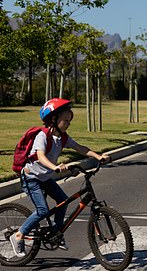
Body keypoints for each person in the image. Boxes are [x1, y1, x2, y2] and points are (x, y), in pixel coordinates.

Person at [10, 98, 110, 257]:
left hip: (45, 178)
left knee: (63, 202)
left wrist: (98, 157)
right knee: (42, 210)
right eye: (66, 120)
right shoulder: (42, 136)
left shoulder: (63, 137)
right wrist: (55, 167)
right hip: (31, 178)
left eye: (70, 120)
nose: (69, 123)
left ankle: (56, 234)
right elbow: (40, 156)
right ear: (53, 120)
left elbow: (80, 148)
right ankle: (18, 236)